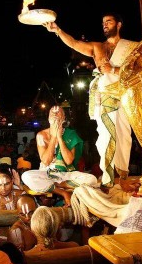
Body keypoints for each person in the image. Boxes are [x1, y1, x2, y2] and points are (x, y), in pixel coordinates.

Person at [44, 13, 137, 187]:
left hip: (124, 98)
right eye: (103, 23)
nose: (105, 25)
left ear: (119, 24)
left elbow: (139, 71)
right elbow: (73, 43)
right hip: (104, 99)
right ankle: (109, 179)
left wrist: (114, 70)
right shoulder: (97, 47)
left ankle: (122, 177)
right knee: (105, 138)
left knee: (124, 137)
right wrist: (58, 30)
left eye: (109, 22)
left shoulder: (131, 47)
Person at [21, 105, 98, 206]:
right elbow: (46, 161)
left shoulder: (71, 134)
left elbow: (69, 161)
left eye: (58, 113)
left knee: (92, 179)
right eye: (52, 113)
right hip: (47, 174)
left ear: (64, 119)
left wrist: (60, 138)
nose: (55, 114)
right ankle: (62, 192)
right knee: (26, 176)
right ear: (48, 119)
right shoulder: (41, 135)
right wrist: (53, 137)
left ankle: (59, 185)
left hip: (66, 175)